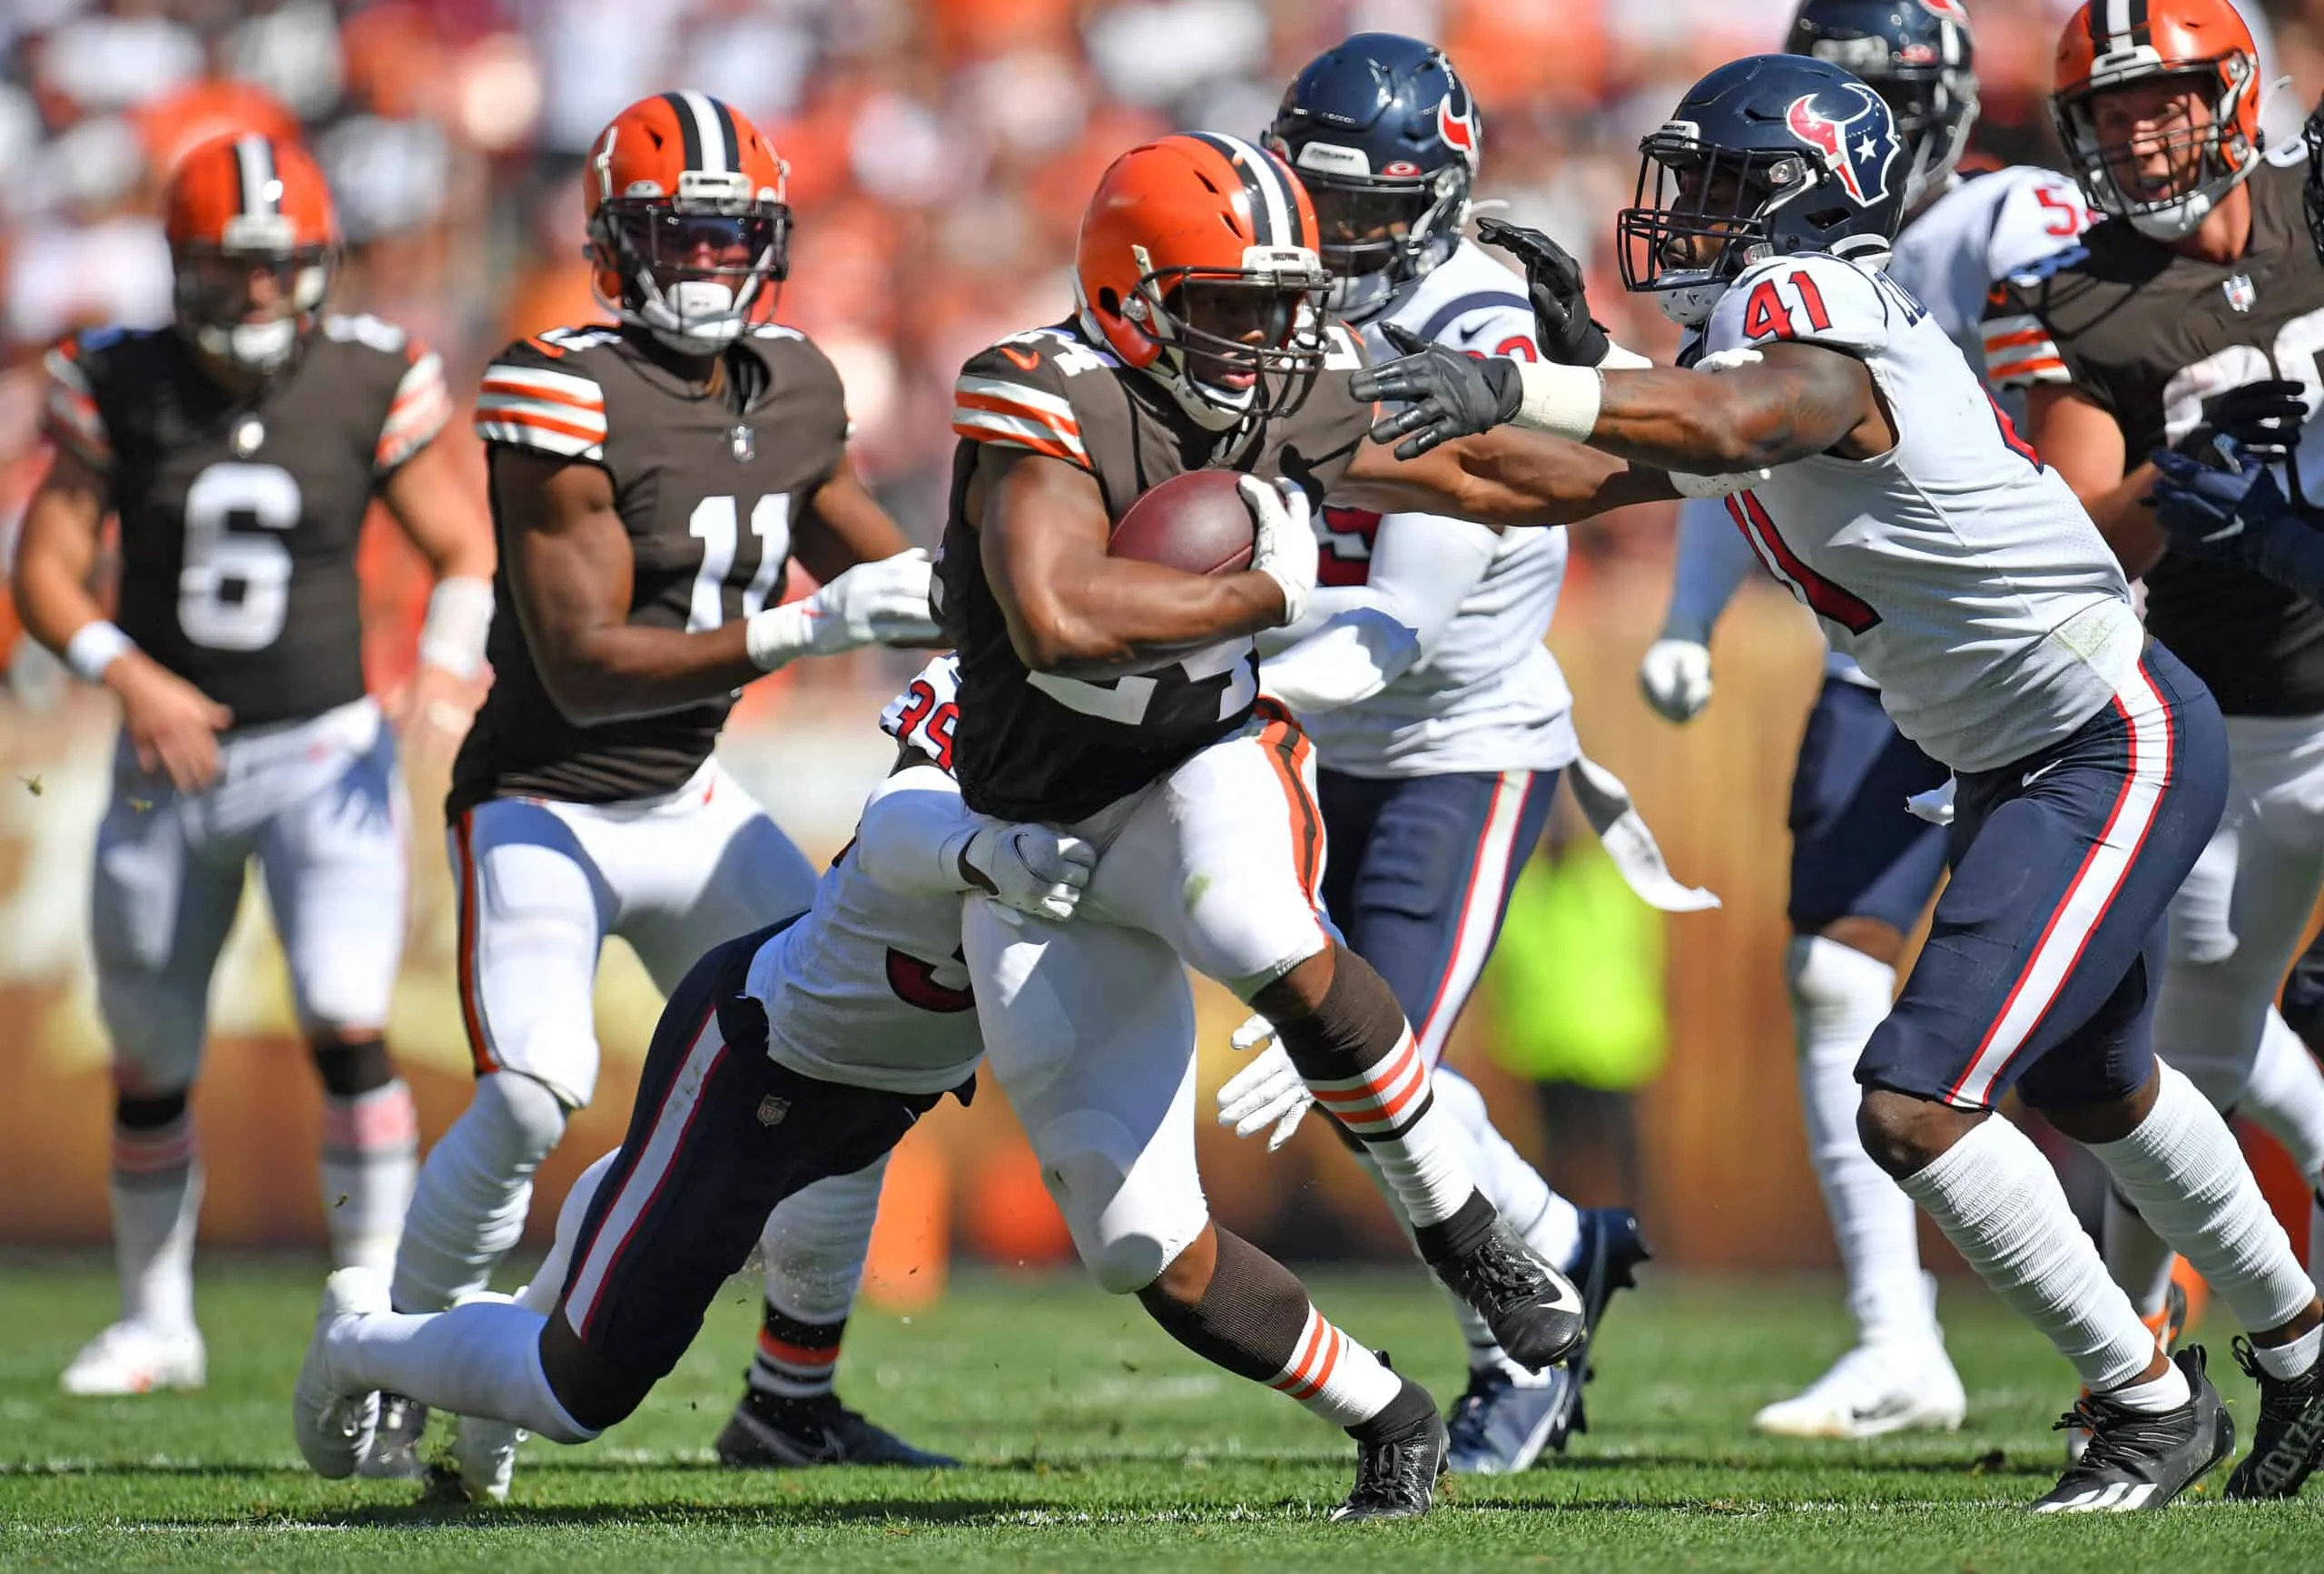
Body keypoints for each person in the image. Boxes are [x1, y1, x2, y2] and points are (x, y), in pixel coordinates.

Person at [1351, 51, 2324, 1510]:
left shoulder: (1803, 309)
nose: (1681, 214)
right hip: (2027, 751)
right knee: (2102, 1077)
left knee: (1916, 1105)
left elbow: (1748, 420)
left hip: (2098, 734)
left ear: (1802, 196)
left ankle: (2145, 1401)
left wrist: (1521, 374)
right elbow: (1533, 483)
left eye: (1721, 185)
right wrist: (1329, 449)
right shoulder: (1754, 345)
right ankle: (2305, 1355)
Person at [936, 125, 1709, 1515]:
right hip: (1032, 836)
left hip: (1191, 763)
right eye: (1224, 305)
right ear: (1130, 290)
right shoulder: (1041, 392)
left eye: (1276, 305)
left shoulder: (1295, 377)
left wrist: (1718, 445)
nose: (1259, 339)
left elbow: (1490, 477)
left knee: (1256, 919)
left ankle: (1473, 1238)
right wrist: (1261, 595)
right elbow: (1056, 620)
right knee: (1130, 1237)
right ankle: (1390, 1411)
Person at [294, 658, 1456, 1521]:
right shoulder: (989, 687)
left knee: (1143, 1235)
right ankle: (364, 1340)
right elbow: (901, 819)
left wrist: (1299, 969)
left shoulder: (1168, 709)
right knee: (576, 1389)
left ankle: (1391, 1418)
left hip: (886, 1098)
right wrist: (983, 850)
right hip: (768, 1066)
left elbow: (1245, 825)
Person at [386, 91, 943, 1476]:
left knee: (857, 1048)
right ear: (615, 245)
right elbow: (578, 667)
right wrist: (795, 632)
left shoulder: (796, 382)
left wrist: (1059, 589)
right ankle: (407, 1357)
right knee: (529, 1094)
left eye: (725, 238)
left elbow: (890, 574)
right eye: (674, 238)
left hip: (689, 801)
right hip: (543, 797)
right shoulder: (556, 387)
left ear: (767, 243)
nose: (703, 266)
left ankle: (788, 1401)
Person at [1637, 0, 2096, 1442]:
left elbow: (2073, 454)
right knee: (1840, 984)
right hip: (1882, 670)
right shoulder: (1766, 300)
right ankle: (1901, 1337)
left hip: (2027, 659)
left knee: (2139, 1029)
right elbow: (1742, 459)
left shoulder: (2001, 223)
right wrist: (1683, 621)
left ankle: (2170, 1323)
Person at [1216, 34, 1665, 1476]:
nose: (1332, 241)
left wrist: (1178, 680)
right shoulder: (1268, 294)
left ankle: (1517, 1342)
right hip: (1317, 735)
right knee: (1372, 1077)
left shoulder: (1475, 326)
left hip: (1450, 745)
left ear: (1433, 199)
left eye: (1363, 211)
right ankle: (1559, 1249)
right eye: (1316, 202)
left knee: (1374, 1076)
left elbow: (1398, 623)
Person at [11, 131, 493, 1402]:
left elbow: (462, 547)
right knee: (150, 1054)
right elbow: (46, 570)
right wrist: (131, 672)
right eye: (235, 270)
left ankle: (378, 1310)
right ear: (182, 268)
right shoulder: (118, 380)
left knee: (346, 1015)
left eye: (283, 268)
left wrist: (444, 664)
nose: (264, 294)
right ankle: (155, 1318)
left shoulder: (370, 376)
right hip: (165, 757)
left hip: (321, 750)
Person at [1984, 0, 2324, 1461]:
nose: (2142, 132)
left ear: (2234, 95)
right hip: (2222, 729)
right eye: (2114, 112)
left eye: (2168, 100)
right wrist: (2185, 482)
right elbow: (2076, 525)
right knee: (2169, 1080)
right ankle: (2134, 1377)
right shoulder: (2073, 297)